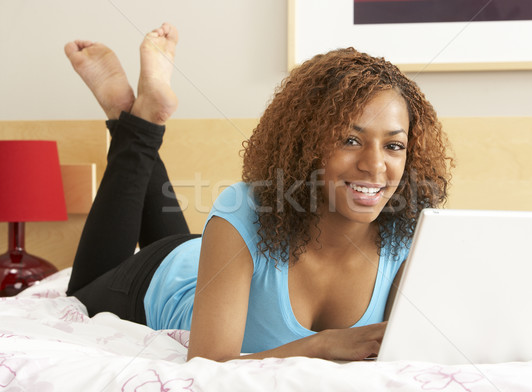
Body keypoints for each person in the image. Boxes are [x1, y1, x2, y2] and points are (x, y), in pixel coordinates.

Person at [64, 23, 452, 362]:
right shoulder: (246, 210)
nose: (375, 165)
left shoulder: (410, 237)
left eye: (394, 145)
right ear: (306, 143)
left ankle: (140, 118)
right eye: (351, 139)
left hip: (215, 261)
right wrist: (325, 344)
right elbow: (208, 364)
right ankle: (129, 118)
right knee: (80, 293)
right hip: (165, 275)